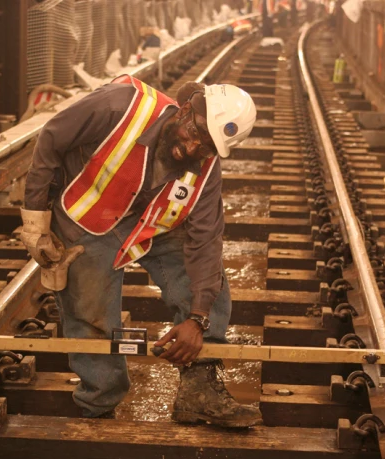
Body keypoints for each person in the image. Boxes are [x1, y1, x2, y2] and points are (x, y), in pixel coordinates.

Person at [20, 76, 263, 428]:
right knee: (90, 312)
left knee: (210, 287)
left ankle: (200, 393)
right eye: (195, 135)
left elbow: (206, 242)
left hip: (152, 226)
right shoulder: (119, 106)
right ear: (184, 112)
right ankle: (100, 407)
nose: (194, 150)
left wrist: (197, 318)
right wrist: (36, 223)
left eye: (207, 147)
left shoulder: (206, 170)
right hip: (88, 219)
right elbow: (51, 139)